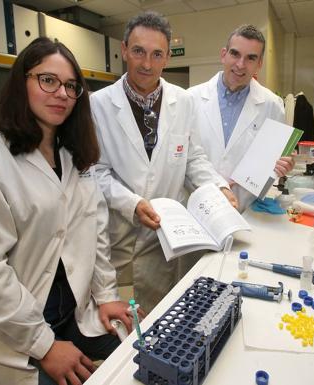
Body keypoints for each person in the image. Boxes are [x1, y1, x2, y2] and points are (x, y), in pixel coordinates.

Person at [0, 37, 137, 385]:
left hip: (74, 313)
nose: (62, 93)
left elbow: (95, 234)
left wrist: (108, 296)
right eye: (48, 80)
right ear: (22, 83)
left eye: (70, 85)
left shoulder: (75, 158)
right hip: (15, 330)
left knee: (137, 359)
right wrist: (45, 345)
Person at [91, 11, 236, 313]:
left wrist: (217, 187)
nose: (146, 63)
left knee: (160, 317)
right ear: (124, 50)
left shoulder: (183, 101)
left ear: (168, 56)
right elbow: (95, 172)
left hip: (165, 240)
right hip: (119, 237)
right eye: (138, 51)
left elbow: (193, 158)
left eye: (157, 54)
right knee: (122, 325)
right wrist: (131, 203)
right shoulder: (98, 104)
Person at [188, 25, 294, 212]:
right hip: (196, 205)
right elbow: (185, 158)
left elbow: (270, 168)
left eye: (251, 58)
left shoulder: (272, 105)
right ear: (224, 54)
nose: (240, 65)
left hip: (244, 209)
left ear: (259, 64)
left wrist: (281, 166)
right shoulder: (190, 98)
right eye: (235, 54)